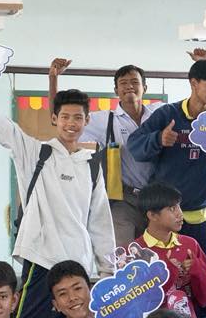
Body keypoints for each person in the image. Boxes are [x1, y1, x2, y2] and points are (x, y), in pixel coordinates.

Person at [0, 79, 114, 318]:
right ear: (54, 119)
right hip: (42, 259)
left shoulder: (92, 165)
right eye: (65, 117)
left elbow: (100, 220)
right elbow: (6, 131)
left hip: (78, 264)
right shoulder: (36, 153)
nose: (71, 123)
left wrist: (108, 270)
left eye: (78, 117)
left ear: (87, 120)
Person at [127, 56, 206, 259]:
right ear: (194, 83)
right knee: (162, 268)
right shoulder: (168, 114)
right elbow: (134, 146)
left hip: (201, 214)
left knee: (198, 268)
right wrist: (158, 138)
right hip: (164, 214)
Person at [49, 59, 156, 246]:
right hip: (123, 199)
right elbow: (56, 119)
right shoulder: (105, 120)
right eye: (123, 83)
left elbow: (191, 111)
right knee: (121, 252)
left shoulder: (158, 114)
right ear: (116, 91)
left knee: (160, 253)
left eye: (134, 82)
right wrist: (53, 79)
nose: (129, 87)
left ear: (144, 88)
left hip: (158, 198)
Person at [128, 184, 206, 318]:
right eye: (172, 209)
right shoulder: (132, 252)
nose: (180, 213)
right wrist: (169, 271)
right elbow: (131, 306)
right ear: (152, 215)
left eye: (179, 207)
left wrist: (196, 269)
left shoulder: (190, 245)